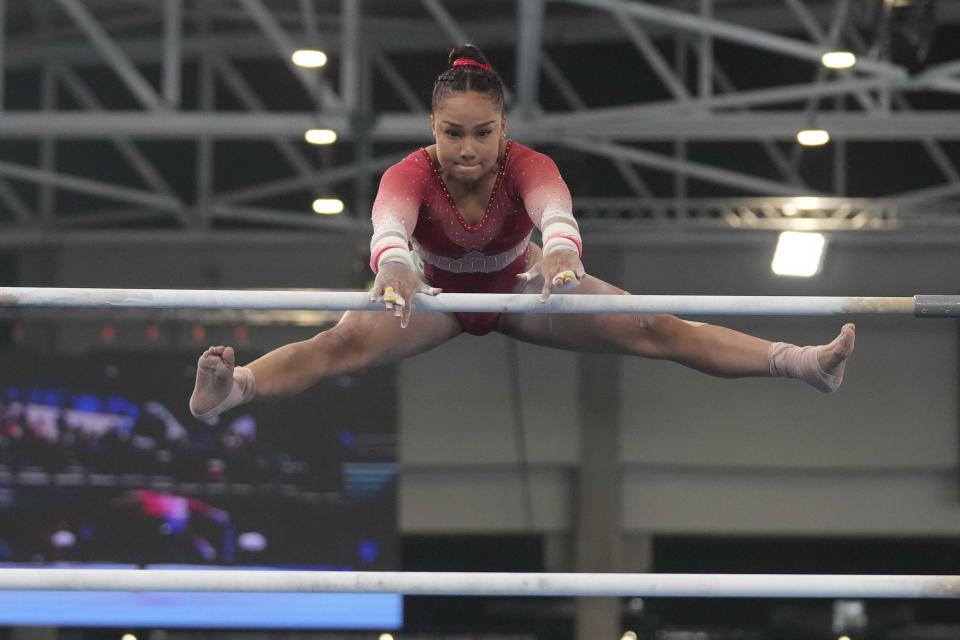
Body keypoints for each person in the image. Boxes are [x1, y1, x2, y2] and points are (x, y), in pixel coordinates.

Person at [189, 45, 855, 421]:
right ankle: (233, 390)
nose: (468, 148)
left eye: (482, 133)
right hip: (437, 299)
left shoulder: (530, 167)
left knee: (656, 329)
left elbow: (556, 216)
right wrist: (393, 265)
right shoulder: (409, 174)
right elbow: (389, 226)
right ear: (433, 131)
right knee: (337, 345)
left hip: (520, 285)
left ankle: (800, 364)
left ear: (504, 129)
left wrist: (562, 252)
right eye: (452, 133)